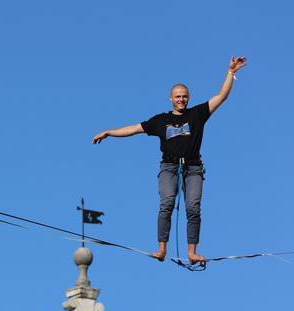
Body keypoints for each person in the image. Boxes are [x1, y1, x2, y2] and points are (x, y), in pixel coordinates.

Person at [91, 56, 247, 264]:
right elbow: (135, 129)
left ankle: (192, 252)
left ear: (188, 98)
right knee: (166, 203)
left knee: (193, 207)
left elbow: (221, 96)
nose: (181, 99)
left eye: (184, 96)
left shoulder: (198, 114)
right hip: (169, 167)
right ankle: (161, 248)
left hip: (192, 168)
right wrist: (109, 132)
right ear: (171, 98)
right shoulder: (161, 121)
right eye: (177, 96)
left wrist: (230, 72)